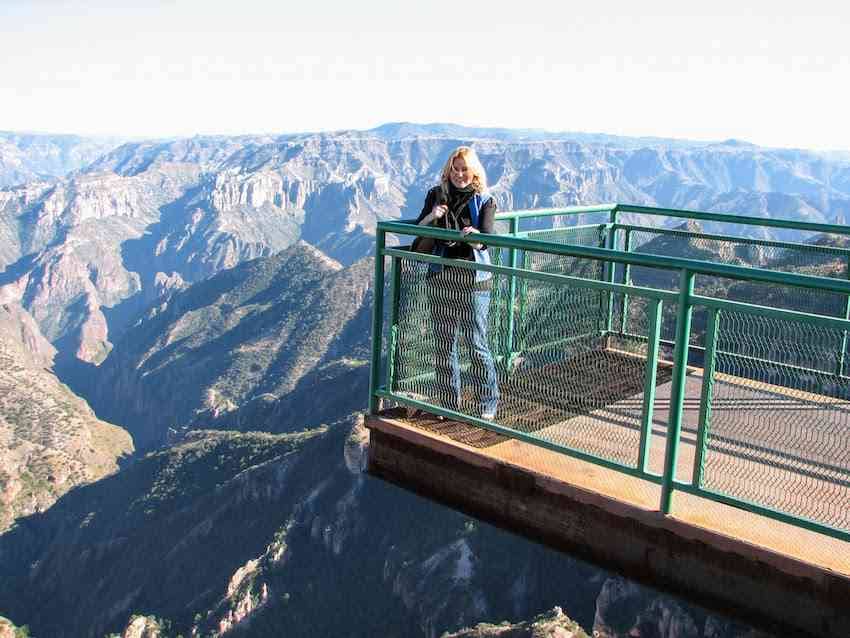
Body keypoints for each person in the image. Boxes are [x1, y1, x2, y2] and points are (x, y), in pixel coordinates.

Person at [416, 146, 499, 420]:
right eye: (455, 169)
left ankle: (487, 403)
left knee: (476, 342)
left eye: (465, 169)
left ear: (473, 171)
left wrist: (474, 235)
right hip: (441, 275)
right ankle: (449, 405)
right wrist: (433, 216)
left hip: (474, 281)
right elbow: (419, 231)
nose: (460, 175)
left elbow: (487, 239)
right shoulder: (436, 195)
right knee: (444, 343)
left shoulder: (484, 200)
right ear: (448, 170)